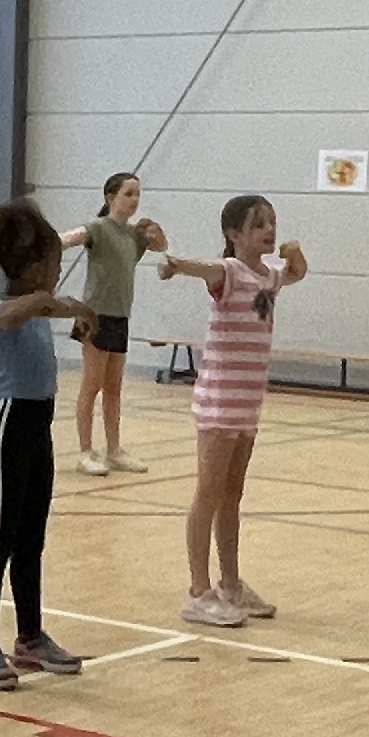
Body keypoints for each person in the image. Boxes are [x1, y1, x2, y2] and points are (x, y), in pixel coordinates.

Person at [153, 193, 309, 628]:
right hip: (219, 404)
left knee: (232, 496)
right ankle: (198, 591)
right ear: (234, 234)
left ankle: (231, 583)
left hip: (248, 404)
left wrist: (295, 251)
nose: (269, 230)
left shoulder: (269, 277)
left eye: (272, 222)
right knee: (208, 493)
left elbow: (297, 272)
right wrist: (176, 264)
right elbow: (207, 269)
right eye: (258, 224)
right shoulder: (231, 272)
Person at [0, 202, 94, 688]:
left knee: (30, 540)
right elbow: (6, 317)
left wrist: (70, 308)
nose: (58, 273)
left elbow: (42, 307)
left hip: (38, 428)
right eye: (54, 264)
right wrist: (51, 302)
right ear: (32, 265)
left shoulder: (39, 306)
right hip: (4, 426)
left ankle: (30, 638)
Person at [65, 170, 165, 476]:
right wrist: (48, 242)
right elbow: (73, 237)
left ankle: (114, 450)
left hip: (120, 315)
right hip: (95, 315)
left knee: (113, 387)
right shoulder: (99, 227)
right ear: (111, 197)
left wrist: (155, 232)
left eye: (138, 194)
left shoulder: (133, 236)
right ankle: (85, 452)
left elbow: (161, 246)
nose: (134, 200)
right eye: (128, 194)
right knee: (91, 385)